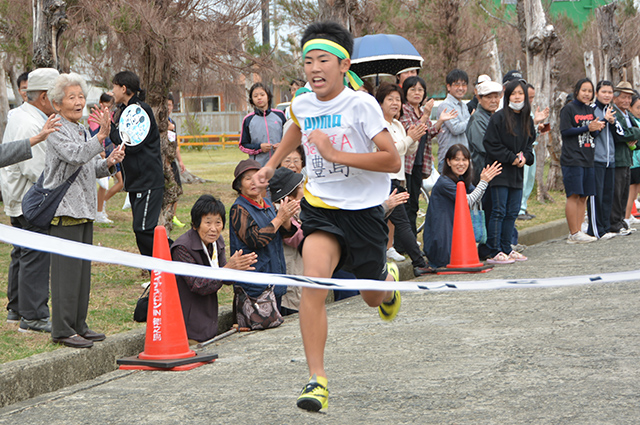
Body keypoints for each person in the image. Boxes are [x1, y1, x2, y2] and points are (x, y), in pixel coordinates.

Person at [251, 21, 402, 412]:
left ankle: (387, 283)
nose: (314, 68)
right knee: (313, 285)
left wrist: (335, 155)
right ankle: (316, 379)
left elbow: (391, 158)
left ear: (343, 64)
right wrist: (270, 165)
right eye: (307, 61)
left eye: (323, 60)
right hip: (321, 209)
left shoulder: (361, 104)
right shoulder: (301, 102)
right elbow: (295, 129)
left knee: (371, 297)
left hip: (364, 213)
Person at [43, 73, 125, 348]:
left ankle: (79, 324)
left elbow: (89, 167)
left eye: (81, 96)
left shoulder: (79, 128)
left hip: (85, 208)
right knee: (66, 274)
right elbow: (75, 156)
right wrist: (101, 137)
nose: (79, 102)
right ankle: (63, 329)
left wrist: (110, 162)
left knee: (81, 273)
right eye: (72, 97)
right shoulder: (55, 128)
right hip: (65, 210)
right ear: (57, 104)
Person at [0, 68, 59, 332]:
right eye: (58, 96)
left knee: (21, 253)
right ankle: (33, 316)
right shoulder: (30, 122)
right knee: (34, 256)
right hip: (29, 198)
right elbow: (35, 169)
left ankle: (16, 308)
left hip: (16, 196)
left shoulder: (21, 114)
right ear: (44, 97)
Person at [171, 195, 257, 343]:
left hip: (208, 319)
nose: (213, 229)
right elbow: (198, 285)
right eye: (208, 222)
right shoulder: (182, 248)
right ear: (195, 224)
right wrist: (227, 270)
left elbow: (226, 279)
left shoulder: (218, 242)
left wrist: (236, 269)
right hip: (187, 323)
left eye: (218, 222)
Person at [376, 82, 435, 276]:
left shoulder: (398, 124)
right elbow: (390, 150)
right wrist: (409, 138)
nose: (395, 103)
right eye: (390, 99)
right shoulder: (378, 125)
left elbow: (408, 150)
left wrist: (414, 138)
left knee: (392, 222)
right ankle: (418, 263)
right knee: (401, 222)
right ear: (380, 102)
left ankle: (415, 262)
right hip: (384, 180)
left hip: (397, 179)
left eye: (398, 100)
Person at [229, 159, 298, 311]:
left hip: (275, 280)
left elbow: (282, 234)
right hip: (254, 287)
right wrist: (279, 218)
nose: (254, 182)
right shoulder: (239, 209)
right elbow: (256, 239)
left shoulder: (267, 204)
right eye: (248, 179)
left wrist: (286, 220)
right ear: (239, 185)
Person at [109, 71, 164, 257]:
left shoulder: (140, 110)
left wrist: (108, 129)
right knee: (140, 231)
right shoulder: (124, 111)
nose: (112, 91)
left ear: (124, 88)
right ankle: (156, 276)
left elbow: (130, 144)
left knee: (144, 230)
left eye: (114, 87)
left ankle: (179, 260)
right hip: (136, 181)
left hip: (148, 180)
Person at [423, 144, 501, 268]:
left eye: (464, 160)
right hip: (442, 241)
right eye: (456, 159)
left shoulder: (461, 179)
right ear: (448, 161)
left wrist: (485, 181)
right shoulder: (444, 182)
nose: (461, 163)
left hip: (453, 237)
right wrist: (484, 182)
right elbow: (467, 201)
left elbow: (476, 198)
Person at [399, 76, 457, 242]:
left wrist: (439, 121)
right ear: (405, 92)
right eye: (413, 89)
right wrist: (425, 115)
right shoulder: (405, 110)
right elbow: (414, 131)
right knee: (405, 204)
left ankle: (411, 239)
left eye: (420, 90)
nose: (417, 93)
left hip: (419, 163)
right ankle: (404, 242)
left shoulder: (419, 111)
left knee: (414, 204)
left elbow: (429, 132)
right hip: (406, 164)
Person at [483, 79, 535, 263]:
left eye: (520, 93)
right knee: (499, 210)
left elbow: (530, 145)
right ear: (507, 96)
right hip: (499, 171)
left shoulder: (527, 119)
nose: (517, 97)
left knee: (512, 211)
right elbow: (490, 144)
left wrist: (525, 158)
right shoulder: (499, 117)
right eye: (514, 93)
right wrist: (510, 157)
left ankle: (507, 247)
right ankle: (494, 250)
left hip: (516, 173)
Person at [560, 78, 602, 244]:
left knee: (584, 196)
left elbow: (592, 133)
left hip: (588, 157)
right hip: (572, 158)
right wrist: (587, 127)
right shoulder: (568, 109)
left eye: (590, 91)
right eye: (584, 90)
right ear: (577, 90)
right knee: (573, 194)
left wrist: (596, 129)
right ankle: (573, 232)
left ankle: (580, 230)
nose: (587, 94)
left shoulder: (589, 110)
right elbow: (565, 131)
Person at [268, 167, 305, 315]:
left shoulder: (297, 209)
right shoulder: (281, 214)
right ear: (289, 195)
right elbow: (301, 239)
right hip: (291, 284)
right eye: (300, 187)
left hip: (299, 279)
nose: (304, 190)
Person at [587, 80, 618, 240]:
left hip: (610, 160)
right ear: (597, 93)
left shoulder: (611, 110)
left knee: (608, 195)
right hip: (596, 160)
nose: (607, 95)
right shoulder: (592, 110)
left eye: (610, 92)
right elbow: (592, 133)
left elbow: (619, 135)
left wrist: (612, 122)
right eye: (604, 92)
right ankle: (595, 230)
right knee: (596, 196)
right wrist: (604, 120)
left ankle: (606, 227)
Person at [609, 81, 640, 235]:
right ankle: (615, 223)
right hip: (617, 158)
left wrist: (634, 135)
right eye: (623, 97)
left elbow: (635, 132)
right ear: (615, 98)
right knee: (617, 192)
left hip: (627, 158)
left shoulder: (627, 114)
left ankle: (622, 221)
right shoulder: (613, 112)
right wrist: (635, 134)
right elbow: (622, 135)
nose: (627, 101)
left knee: (624, 193)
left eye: (629, 98)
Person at [89, 92, 124, 224]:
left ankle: (101, 206)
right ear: (101, 103)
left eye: (111, 106)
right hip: (103, 154)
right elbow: (95, 135)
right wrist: (101, 152)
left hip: (112, 152)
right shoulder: (95, 118)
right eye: (106, 106)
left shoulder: (110, 117)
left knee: (120, 182)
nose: (108, 109)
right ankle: (99, 211)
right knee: (104, 185)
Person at [518, 83, 550, 220]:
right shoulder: (516, 111)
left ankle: (523, 207)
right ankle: (518, 209)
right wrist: (534, 123)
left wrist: (537, 127)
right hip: (520, 151)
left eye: (532, 97)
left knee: (530, 179)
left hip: (531, 149)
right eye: (528, 97)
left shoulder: (529, 111)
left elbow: (531, 134)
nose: (530, 100)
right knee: (522, 180)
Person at [238, 83, 286, 166]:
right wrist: (259, 147)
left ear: (268, 96)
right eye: (255, 96)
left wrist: (281, 146)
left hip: (281, 164)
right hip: (259, 166)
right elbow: (243, 145)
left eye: (262, 94)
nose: (259, 98)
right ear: (251, 100)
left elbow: (289, 137)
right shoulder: (248, 119)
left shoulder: (280, 115)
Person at [466, 79, 503, 185]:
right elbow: (486, 147)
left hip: (494, 173)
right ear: (479, 98)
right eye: (489, 97)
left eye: (496, 97)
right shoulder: (477, 119)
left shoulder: (494, 117)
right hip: (483, 174)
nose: (493, 101)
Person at [436, 68, 471, 172]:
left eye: (464, 85)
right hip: (449, 159)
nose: (461, 88)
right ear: (448, 87)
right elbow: (455, 129)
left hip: (463, 158)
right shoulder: (445, 106)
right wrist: (471, 119)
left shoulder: (464, 106)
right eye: (457, 85)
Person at [167, 93, 186, 228]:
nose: (167, 107)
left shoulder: (172, 123)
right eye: (165, 105)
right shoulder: (158, 122)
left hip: (172, 160)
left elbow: (175, 144)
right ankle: (166, 215)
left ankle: (173, 216)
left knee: (177, 188)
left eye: (169, 105)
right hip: (163, 161)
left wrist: (180, 161)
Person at [625, 94, 640, 227]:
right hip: (634, 162)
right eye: (638, 107)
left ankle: (629, 215)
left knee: (635, 192)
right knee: (631, 191)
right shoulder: (631, 121)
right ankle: (625, 217)